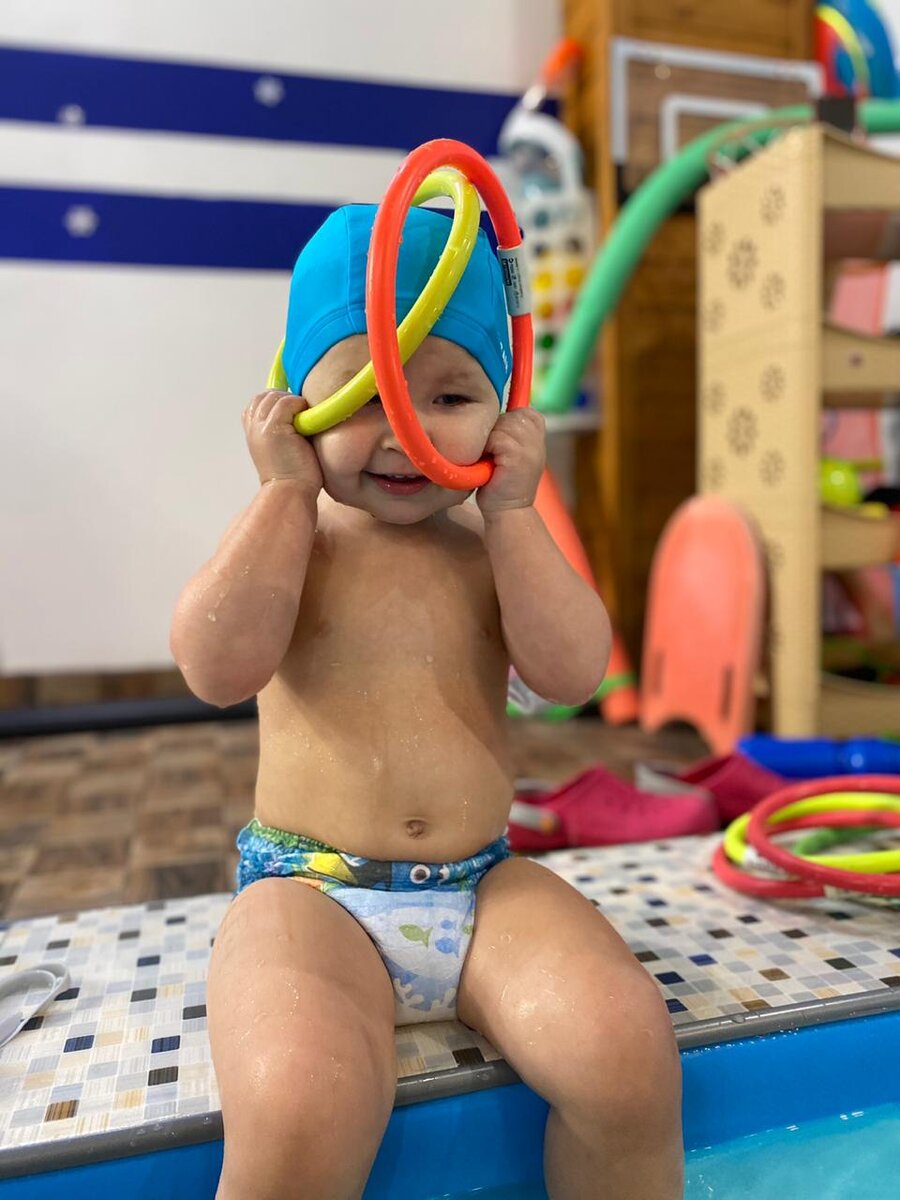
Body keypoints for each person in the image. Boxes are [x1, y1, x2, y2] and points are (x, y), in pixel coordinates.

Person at [171, 205, 684, 1200]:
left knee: (625, 1051)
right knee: (300, 1104)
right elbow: (214, 667)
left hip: (480, 885)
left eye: (449, 395)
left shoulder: (491, 549)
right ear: (297, 404)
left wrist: (516, 517)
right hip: (312, 890)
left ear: (503, 407)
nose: (405, 433)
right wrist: (282, 495)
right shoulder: (295, 543)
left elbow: (574, 673)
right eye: (365, 395)